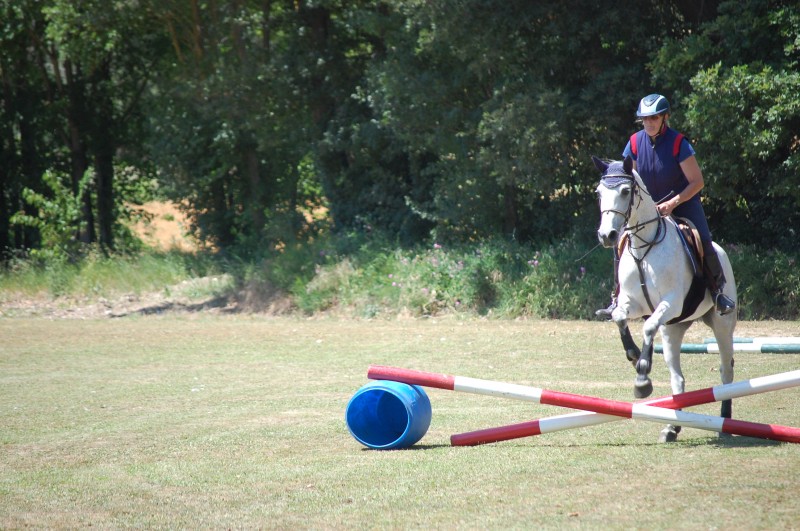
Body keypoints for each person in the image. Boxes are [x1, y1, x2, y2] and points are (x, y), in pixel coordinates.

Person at [596, 93, 735, 318]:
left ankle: (717, 292)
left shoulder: (679, 143)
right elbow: (627, 178)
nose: (649, 123)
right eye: (645, 119)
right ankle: (616, 296)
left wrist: (673, 203)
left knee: (703, 238)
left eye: (654, 118)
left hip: (682, 203)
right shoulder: (634, 143)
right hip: (646, 208)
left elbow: (697, 182)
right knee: (619, 240)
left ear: (665, 118)